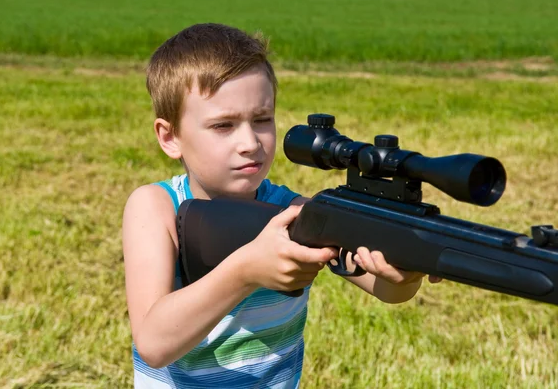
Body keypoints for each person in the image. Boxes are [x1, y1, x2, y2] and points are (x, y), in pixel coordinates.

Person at [122, 23, 441, 388]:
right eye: (223, 125)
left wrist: (404, 274)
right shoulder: (155, 208)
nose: (249, 142)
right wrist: (245, 272)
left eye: (262, 120)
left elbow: (387, 289)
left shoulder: (294, 212)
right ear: (170, 137)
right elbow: (153, 343)